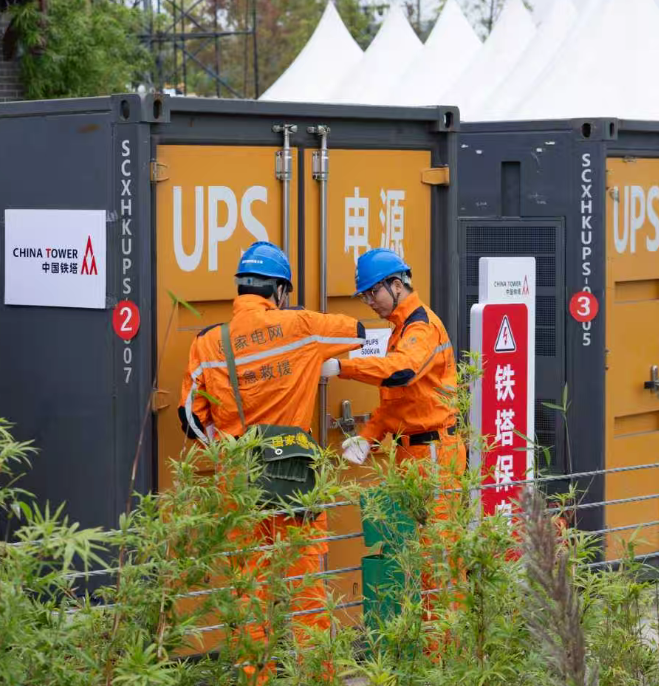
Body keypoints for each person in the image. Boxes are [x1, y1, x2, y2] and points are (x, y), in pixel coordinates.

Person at [179, 240, 365, 681]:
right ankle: (315, 677)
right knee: (305, 592)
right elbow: (358, 331)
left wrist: (228, 448)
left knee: (249, 592)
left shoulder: (208, 343)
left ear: (240, 287)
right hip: (294, 476)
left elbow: (190, 419)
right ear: (279, 290)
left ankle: (255, 677)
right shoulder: (301, 325)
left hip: (239, 482)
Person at [320, 248, 464, 635]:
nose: (370, 302)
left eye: (373, 293)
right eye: (364, 296)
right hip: (414, 454)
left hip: (434, 454)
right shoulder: (400, 331)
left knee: (438, 556)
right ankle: (432, 643)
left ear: (396, 285)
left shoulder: (421, 328)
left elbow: (401, 372)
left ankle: (445, 650)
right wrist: (368, 437)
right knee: (418, 555)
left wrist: (344, 367)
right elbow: (395, 404)